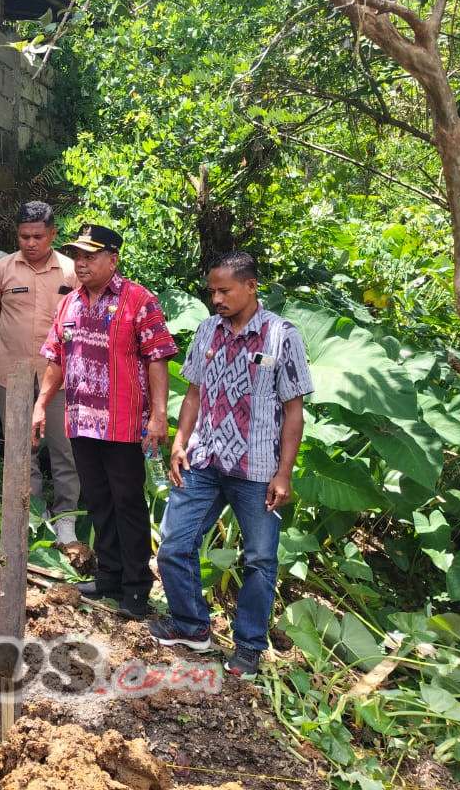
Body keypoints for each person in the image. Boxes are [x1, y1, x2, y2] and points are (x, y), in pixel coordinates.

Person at [149, 251, 312, 679]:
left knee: (259, 559)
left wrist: (284, 472)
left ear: (251, 286)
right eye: (212, 291)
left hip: (257, 469)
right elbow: (194, 394)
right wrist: (180, 442)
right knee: (174, 545)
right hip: (204, 459)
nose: (216, 298)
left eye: (225, 290)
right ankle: (191, 627)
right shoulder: (207, 331)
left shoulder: (281, 337)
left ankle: (248, 647)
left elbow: (293, 410)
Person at [33, 224, 176, 620]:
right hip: (82, 421)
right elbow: (56, 358)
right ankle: (109, 575)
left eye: (90, 256)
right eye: (77, 256)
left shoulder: (138, 300)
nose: (81, 263)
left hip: (126, 424)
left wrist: (159, 416)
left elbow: (157, 358)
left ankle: (135, 589)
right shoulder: (70, 303)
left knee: (127, 504)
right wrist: (41, 404)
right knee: (97, 501)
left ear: (113, 260)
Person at [0, 201, 80, 546]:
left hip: (59, 376)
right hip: (11, 375)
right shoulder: (1, 270)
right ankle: (31, 513)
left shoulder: (73, 272)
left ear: (53, 234)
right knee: (19, 447)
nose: (30, 243)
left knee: (64, 448)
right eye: (24, 236)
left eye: (38, 236)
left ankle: (66, 518)